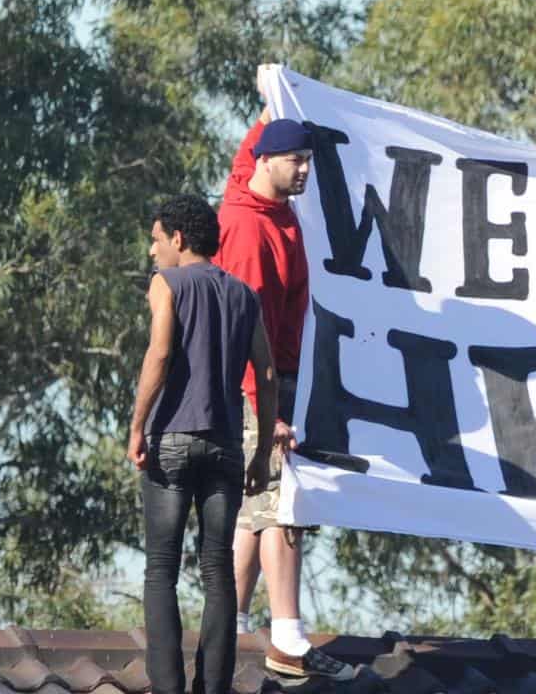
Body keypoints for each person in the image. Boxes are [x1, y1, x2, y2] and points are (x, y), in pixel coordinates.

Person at [215, 65, 354, 680]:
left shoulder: (270, 203)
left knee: (256, 510)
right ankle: (287, 640)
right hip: (257, 387)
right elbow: (246, 331)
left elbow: (252, 148)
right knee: (283, 507)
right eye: (293, 158)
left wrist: (271, 101)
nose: (303, 169)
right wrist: (267, 412)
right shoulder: (248, 227)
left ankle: (225, 633)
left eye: (307, 159)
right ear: (267, 163)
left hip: (278, 383)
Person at [127, 194, 276, 694]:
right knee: (218, 570)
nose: (152, 252)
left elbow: (161, 352)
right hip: (227, 446)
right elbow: (269, 374)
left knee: (161, 567)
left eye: (155, 239)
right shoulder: (243, 294)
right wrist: (258, 454)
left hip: (171, 438)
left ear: (178, 238)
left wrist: (136, 426)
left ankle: (167, 686)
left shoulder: (166, 283)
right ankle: (212, 686)